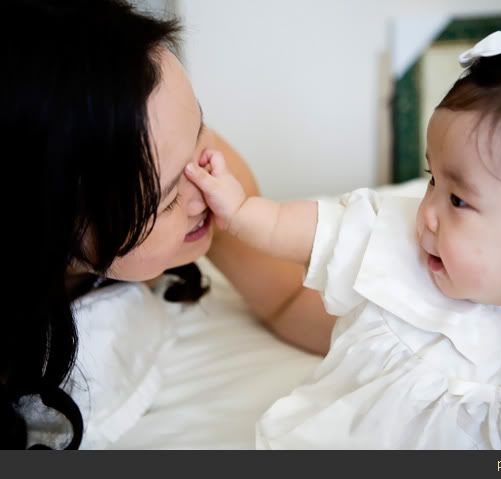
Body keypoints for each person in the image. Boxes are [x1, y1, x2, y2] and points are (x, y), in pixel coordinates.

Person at [186, 19, 501, 448]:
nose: (428, 213)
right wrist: (240, 211)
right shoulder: (400, 238)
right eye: (431, 179)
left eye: (459, 200)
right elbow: (307, 228)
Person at [1, 0, 334, 449]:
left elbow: (288, 297)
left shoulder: (206, 170)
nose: (209, 187)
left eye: (200, 126)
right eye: (169, 197)